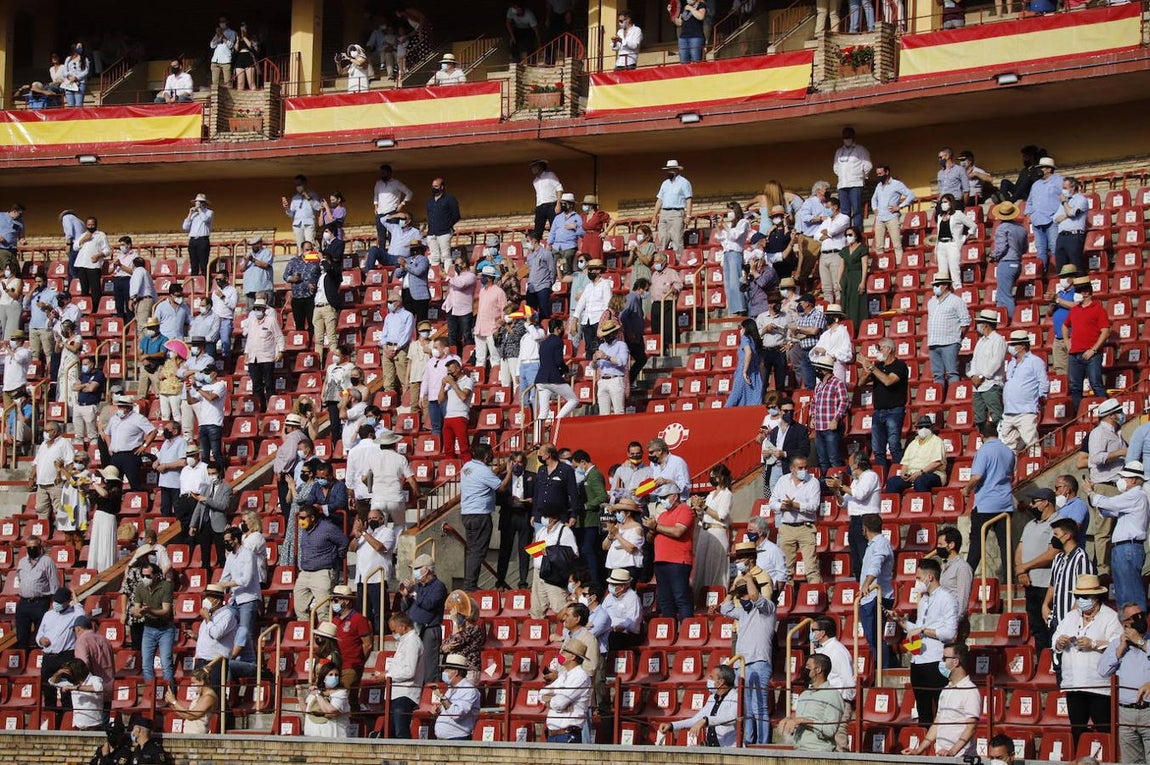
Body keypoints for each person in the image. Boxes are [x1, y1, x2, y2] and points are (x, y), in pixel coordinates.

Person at [1052, 573, 1121, 746]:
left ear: (1096, 597)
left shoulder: (1110, 617)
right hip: (1074, 684)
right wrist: (1060, 642)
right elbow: (1054, 640)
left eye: (1085, 596)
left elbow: (1118, 645)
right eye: (1078, 596)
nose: (1081, 600)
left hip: (1099, 686)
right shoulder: (1070, 617)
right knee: (1077, 731)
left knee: (1104, 730)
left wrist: (1094, 644)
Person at [888, 557, 958, 727]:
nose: (916, 582)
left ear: (930, 577)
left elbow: (950, 633)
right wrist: (901, 621)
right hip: (918, 659)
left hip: (935, 660)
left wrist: (924, 630)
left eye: (919, 578)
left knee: (940, 708)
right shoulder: (924, 599)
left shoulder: (947, 599)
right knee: (923, 709)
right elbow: (918, 627)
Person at [720, 568, 776, 745]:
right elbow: (725, 608)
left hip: (759, 662)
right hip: (742, 666)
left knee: (759, 708)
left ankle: (762, 744)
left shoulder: (768, 607)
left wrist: (749, 579)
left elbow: (755, 597)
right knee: (746, 709)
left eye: (744, 594)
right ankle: (748, 743)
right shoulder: (743, 613)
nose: (742, 597)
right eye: (740, 595)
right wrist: (733, 588)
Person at [1085, 462, 1150, 612]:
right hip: (1124, 548)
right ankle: (1129, 628)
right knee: (1122, 594)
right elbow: (1108, 510)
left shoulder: (1135, 495)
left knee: (1130, 593)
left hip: (1128, 548)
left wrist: (1091, 492)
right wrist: (1094, 497)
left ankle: (1138, 628)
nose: (1121, 481)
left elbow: (1109, 503)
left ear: (1133, 479)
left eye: (1124, 478)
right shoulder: (1131, 498)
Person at [901, 643, 979, 757]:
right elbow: (937, 723)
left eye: (944, 659)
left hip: (961, 758)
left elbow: (971, 727)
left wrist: (952, 751)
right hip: (942, 755)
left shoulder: (970, 690)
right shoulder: (946, 689)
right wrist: (919, 750)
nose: (941, 663)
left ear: (956, 662)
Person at [963, 420, 1017, 579]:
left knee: (976, 546)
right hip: (1005, 503)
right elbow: (1011, 476)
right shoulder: (1008, 451)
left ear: (981, 436)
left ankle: (967, 578)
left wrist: (966, 488)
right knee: (1005, 544)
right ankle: (1009, 577)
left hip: (985, 505)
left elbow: (977, 476)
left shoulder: (984, 451)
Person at [1099, 603, 1150, 764]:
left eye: (1142, 615)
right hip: (1125, 712)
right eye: (1135, 617)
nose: (1141, 619)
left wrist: (1141, 643)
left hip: (1149, 711)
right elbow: (1102, 671)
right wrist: (1120, 649)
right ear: (1125, 623)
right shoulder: (1116, 644)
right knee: (1130, 761)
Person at [459, 443, 510, 590]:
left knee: (471, 550)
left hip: (467, 513)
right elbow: (501, 487)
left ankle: (469, 583)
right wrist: (509, 472)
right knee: (477, 551)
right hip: (479, 515)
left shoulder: (466, 467)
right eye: (491, 456)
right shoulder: (483, 470)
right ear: (486, 456)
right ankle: (470, 585)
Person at [1086, 397, 1128, 576]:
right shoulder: (1099, 433)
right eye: (1119, 412)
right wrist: (1121, 452)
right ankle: (1103, 569)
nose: (1122, 415)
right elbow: (1095, 457)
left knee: (1119, 531)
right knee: (1104, 531)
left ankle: (1116, 567)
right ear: (1111, 415)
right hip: (1104, 485)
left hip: (1118, 487)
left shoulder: (1117, 433)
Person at [642, 483, 694, 621]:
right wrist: (652, 529)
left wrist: (657, 527)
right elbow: (650, 538)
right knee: (665, 600)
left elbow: (678, 531)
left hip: (678, 561)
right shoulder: (663, 515)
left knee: (681, 597)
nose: (662, 500)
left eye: (664, 497)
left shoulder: (685, 510)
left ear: (675, 496)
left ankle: (686, 630)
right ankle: (669, 632)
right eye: (660, 498)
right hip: (660, 561)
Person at [826, 452, 880, 579]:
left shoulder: (870, 476)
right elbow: (844, 503)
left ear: (858, 464)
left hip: (867, 520)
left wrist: (840, 485)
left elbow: (860, 494)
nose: (849, 468)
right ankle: (859, 584)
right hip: (855, 521)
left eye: (850, 465)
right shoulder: (855, 481)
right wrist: (837, 492)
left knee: (865, 557)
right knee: (856, 561)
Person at [658, 664, 739, 747]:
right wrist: (672, 725)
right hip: (712, 749)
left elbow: (731, 718)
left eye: (712, 678)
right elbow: (696, 720)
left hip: (729, 749)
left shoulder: (736, 697)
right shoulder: (712, 698)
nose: (709, 680)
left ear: (721, 682)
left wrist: (706, 721)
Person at [777, 653, 844, 752]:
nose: (804, 669)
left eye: (808, 667)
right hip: (797, 750)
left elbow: (830, 730)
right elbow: (799, 721)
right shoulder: (804, 694)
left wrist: (804, 721)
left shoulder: (833, 695)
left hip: (819, 751)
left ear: (818, 670)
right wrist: (789, 721)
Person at [770, 456, 822, 583]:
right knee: (786, 570)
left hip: (806, 527)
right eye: (800, 468)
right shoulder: (782, 481)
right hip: (787, 527)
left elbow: (814, 506)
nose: (804, 470)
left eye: (805, 467)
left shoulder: (813, 482)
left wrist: (795, 505)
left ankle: (816, 598)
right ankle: (786, 599)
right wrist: (782, 506)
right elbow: (772, 502)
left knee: (811, 568)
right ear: (792, 469)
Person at [1063, 276, 1110, 414]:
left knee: (1096, 384)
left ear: (1086, 293)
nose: (1076, 294)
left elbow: (1105, 331)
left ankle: (1105, 413)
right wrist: (1067, 342)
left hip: (1091, 354)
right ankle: (1079, 415)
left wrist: (1094, 349)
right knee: (1075, 387)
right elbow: (1065, 326)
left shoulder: (1098, 309)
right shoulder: (1075, 310)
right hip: (1074, 354)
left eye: (1078, 291)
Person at [293, 507, 349, 622]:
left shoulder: (328, 528)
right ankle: (306, 637)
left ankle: (325, 638)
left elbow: (343, 542)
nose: (300, 521)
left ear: (312, 518)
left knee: (323, 609)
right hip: (305, 572)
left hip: (323, 572)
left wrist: (337, 556)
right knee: (299, 608)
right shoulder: (304, 530)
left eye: (303, 518)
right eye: (299, 518)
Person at [999, 329, 1050, 453]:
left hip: (1026, 411)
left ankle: (1037, 468)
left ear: (1022, 346)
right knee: (1007, 448)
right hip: (1009, 411)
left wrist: (1042, 396)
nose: (1010, 347)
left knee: (1032, 444)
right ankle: (1012, 472)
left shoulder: (1035, 362)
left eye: (1013, 344)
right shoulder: (1011, 363)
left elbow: (1043, 381)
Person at [399, 554, 447, 684]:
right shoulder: (418, 586)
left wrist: (413, 594)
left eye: (417, 568)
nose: (414, 572)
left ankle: (429, 693)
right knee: (413, 662)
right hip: (413, 629)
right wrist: (405, 596)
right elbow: (405, 607)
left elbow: (429, 604)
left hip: (429, 629)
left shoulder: (439, 586)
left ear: (426, 570)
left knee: (428, 665)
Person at [810, 616, 856, 750]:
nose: (811, 633)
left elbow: (848, 679)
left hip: (838, 702)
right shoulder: (823, 649)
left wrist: (843, 701)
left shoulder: (838, 651)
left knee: (839, 741)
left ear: (822, 632)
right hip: (824, 701)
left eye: (813, 630)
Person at [217, 526, 261, 663]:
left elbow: (246, 580)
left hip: (249, 598)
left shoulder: (248, 554)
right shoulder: (230, 557)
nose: (226, 543)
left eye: (228, 540)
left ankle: (250, 661)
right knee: (223, 622)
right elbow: (224, 577)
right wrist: (218, 587)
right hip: (235, 600)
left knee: (245, 631)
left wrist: (226, 585)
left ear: (236, 540)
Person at [38, 587, 83, 713]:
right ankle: (50, 717)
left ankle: (67, 719)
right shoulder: (48, 615)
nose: (56, 604)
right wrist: (41, 640)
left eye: (60, 602)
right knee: (48, 691)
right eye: (55, 601)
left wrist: (76, 599)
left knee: (66, 692)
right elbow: (39, 634)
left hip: (65, 656)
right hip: (48, 657)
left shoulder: (73, 613)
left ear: (68, 601)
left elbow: (82, 617)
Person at [858, 514, 895, 667]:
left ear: (864, 528)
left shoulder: (880, 543)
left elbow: (876, 565)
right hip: (869, 598)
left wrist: (866, 584)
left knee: (875, 637)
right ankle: (882, 668)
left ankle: (885, 669)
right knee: (872, 637)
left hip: (877, 596)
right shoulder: (874, 544)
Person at [530, 504, 580, 619]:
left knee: (560, 606)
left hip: (554, 573)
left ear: (554, 517)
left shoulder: (565, 531)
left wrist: (550, 552)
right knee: (536, 608)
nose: (543, 518)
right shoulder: (541, 531)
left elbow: (573, 553)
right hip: (538, 573)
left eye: (546, 516)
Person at [925, 273, 971, 395]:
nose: (935, 287)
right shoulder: (931, 302)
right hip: (934, 342)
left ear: (945, 285)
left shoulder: (957, 301)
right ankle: (939, 398)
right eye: (934, 284)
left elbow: (965, 322)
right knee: (937, 375)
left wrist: (958, 338)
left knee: (952, 372)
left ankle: (954, 396)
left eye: (937, 284)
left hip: (950, 342)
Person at [134, 560, 176, 690]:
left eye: (148, 576)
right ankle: (150, 694)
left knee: (166, 663)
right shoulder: (140, 588)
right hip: (148, 628)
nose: (145, 578)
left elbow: (166, 611)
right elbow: (136, 610)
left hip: (165, 629)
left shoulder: (165, 586)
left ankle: (170, 693)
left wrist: (148, 610)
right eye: (143, 576)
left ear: (156, 575)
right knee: (146, 664)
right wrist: (137, 612)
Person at [495, 450, 535, 589]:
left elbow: (538, 495)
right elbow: (497, 497)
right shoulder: (502, 477)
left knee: (524, 551)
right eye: (515, 462)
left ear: (524, 463)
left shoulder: (531, 477)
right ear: (510, 463)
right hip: (508, 515)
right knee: (505, 550)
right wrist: (508, 500)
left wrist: (532, 500)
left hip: (525, 515)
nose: (517, 465)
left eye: (520, 462)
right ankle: (500, 581)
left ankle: (523, 582)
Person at [541, 639, 592, 743]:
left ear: (572, 656)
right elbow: (541, 694)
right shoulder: (563, 675)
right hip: (553, 734)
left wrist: (552, 700)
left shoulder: (581, 676)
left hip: (567, 734)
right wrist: (555, 701)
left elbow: (559, 703)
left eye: (564, 652)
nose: (561, 654)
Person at [188, 460, 233, 574]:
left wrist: (207, 500)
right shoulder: (206, 488)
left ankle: (223, 576)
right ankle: (206, 577)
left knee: (221, 554)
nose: (212, 476)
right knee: (205, 554)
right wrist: (193, 524)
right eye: (209, 473)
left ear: (219, 473)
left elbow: (223, 505)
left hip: (218, 525)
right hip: (205, 524)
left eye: (213, 473)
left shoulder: (226, 488)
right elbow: (199, 507)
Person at [240, 296, 283, 413]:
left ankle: (272, 409)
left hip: (267, 357)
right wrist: (246, 353)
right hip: (253, 358)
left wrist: (281, 351)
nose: (257, 311)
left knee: (269, 384)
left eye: (259, 308)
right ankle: (259, 409)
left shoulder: (271, 321)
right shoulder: (252, 321)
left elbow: (279, 336)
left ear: (264, 309)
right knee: (256, 385)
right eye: (255, 308)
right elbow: (249, 338)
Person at [968, 309, 1006, 428]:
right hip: (978, 386)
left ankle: (1000, 440)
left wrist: (981, 376)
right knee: (979, 418)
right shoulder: (980, 341)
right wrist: (973, 375)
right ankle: (984, 439)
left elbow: (997, 361)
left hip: (991, 384)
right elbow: (974, 360)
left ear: (985, 324)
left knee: (996, 416)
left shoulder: (998, 340)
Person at [870, 165, 914, 265]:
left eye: (880, 173)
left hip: (892, 217)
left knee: (897, 244)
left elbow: (911, 195)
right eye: (877, 174)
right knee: (879, 246)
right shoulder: (879, 185)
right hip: (880, 218)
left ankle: (899, 265)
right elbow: (873, 199)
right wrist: (874, 208)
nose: (879, 175)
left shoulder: (896, 184)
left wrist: (900, 206)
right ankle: (881, 266)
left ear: (887, 172)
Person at [432, 652, 481, 740]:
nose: (444, 673)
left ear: (456, 672)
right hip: (444, 740)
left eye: (447, 670)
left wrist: (442, 697)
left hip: (458, 739)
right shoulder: (450, 689)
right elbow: (448, 709)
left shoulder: (469, 690)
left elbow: (456, 714)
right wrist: (438, 710)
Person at [48, 657, 104, 730]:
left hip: (94, 725)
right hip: (78, 726)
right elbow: (52, 682)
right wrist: (59, 672)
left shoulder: (94, 679)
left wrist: (75, 688)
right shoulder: (71, 682)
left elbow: (99, 688)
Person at [87, 465, 123, 572]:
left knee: (106, 543)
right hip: (99, 517)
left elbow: (105, 494)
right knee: (97, 542)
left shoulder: (115, 489)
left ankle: (105, 568)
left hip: (107, 518)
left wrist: (93, 483)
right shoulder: (105, 487)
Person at [303, 662, 350, 738]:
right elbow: (307, 712)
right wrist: (300, 696)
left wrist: (318, 695)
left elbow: (330, 712)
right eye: (330, 675)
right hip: (313, 735)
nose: (334, 677)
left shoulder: (341, 693)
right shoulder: (315, 691)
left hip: (334, 737)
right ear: (324, 678)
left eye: (336, 675)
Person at [937, 527, 974, 622]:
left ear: (951, 545)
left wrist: (956, 621)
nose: (938, 547)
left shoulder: (962, 568)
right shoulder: (945, 566)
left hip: (952, 620)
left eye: (941, 544)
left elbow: (963, 598)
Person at [165, 667, 217, 734]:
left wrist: (174, 702)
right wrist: (171, 704)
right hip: (189, 733)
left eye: (194, 683)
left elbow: (191, 716)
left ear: (202, 682)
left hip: (198, 734)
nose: (192, 686)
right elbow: (185, 715)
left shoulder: (209, 697)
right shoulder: (199, 695)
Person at [726, 318, 764, 407]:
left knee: (735, 396)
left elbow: (748, 352)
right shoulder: (756, 340)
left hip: (744, 371)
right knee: (754, 399)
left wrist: (744, 371)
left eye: (741, 327)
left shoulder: (745, 338)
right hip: (756, 373)